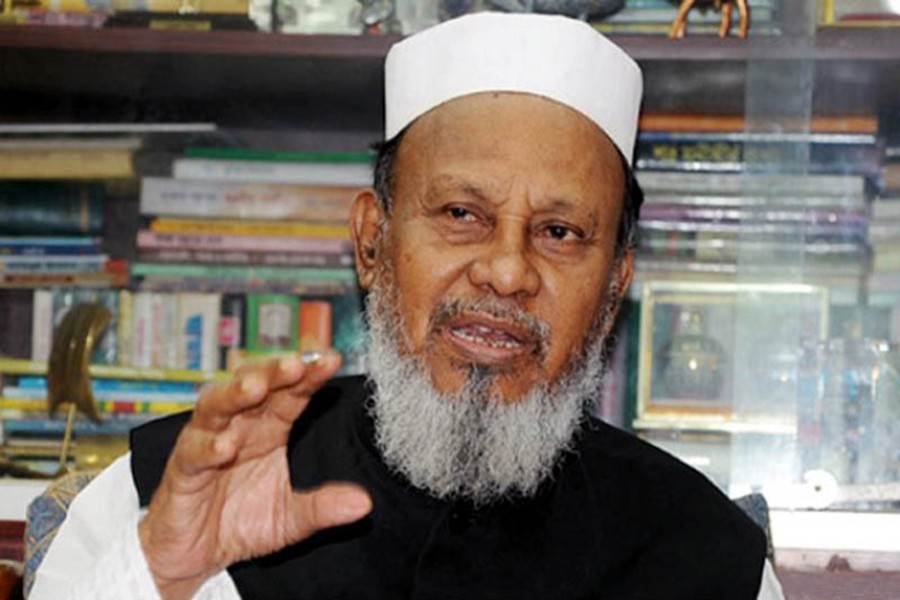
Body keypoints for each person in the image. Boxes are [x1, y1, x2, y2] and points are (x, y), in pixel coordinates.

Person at [30, 12, 785, 600]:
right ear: (372, 241)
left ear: (615, 284)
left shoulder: (707, 555)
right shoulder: (171, 494)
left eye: (559, 232)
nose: (506, 272)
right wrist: (161, 571)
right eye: (461, 214)